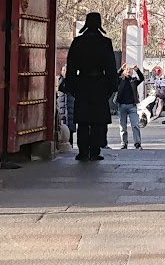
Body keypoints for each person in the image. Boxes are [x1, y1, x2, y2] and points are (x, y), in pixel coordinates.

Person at [61, 12, 118, 161]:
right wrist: (112, 86)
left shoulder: (78, 42)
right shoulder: (105, 42)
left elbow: (71, 67)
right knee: (97, 121)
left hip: (83, 83)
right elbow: (111, 67)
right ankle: (95, 151)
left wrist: (71, 86)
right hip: (100, 84)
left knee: (83, 121)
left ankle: (83, 151)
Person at [114, 65, 145, 150]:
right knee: (122, 126)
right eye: (127, 69)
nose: (128, 71)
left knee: (135, 125)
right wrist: (121, 69)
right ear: (124, 71)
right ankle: (124, 143)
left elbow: (142, 78)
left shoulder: (133, 80)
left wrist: (137, 70)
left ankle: (137, 143)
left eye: (130, 70)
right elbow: (114, 77)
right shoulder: (121, 80)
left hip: (132, 106)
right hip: (122, 105)